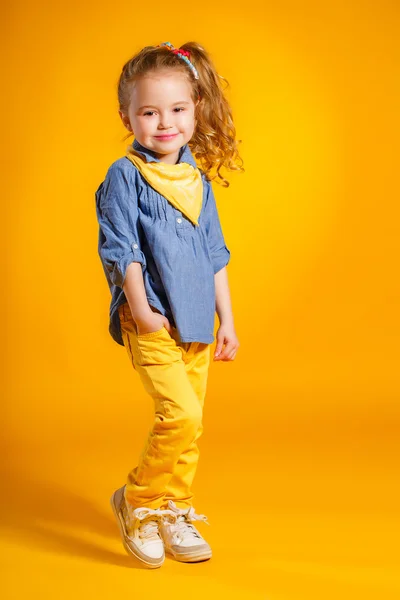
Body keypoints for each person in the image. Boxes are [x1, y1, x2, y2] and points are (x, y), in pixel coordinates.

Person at [95, 41, 243, 568]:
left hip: (198, 318)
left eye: (177, 109)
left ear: (195, 108)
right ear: (128, 116)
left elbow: (215, 253)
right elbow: (121, 249)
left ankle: (174, 507)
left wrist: (228, 319)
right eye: (149, 111)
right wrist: (141, 308)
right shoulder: (126, 175)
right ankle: (138, 501)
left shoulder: (197, 178)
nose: (164, 123)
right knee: (176, 414)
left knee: (192, 423)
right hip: (153, 317)